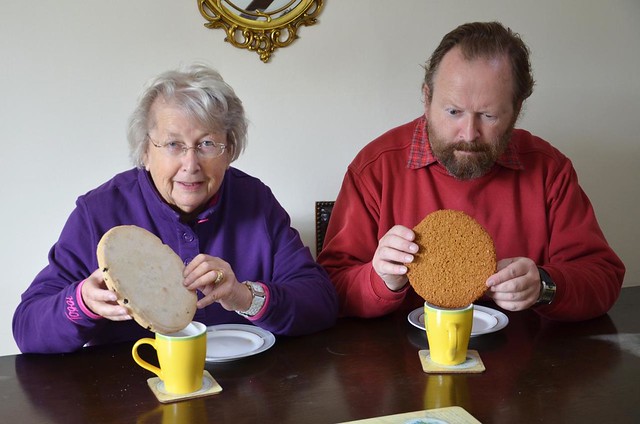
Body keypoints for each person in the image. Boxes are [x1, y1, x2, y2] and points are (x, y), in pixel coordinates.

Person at [13, 64, 339, 353]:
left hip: (247, 391)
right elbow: (27, 328)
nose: (191, 164)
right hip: (135, 394)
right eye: (173, 145)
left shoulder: (255, 200)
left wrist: (245, 296)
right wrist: (83, 302)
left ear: (231, 150)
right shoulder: (98, 212)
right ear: (144, 150)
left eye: (207, 144)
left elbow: (321, 302)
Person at [317, 22, 625, 321]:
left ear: (516, 110)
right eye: (453, 112)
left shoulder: (549, 171)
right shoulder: (376, 169)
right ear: (426, 98)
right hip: (397, 359)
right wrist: (380, 278)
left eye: (488, 115)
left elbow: (603, 278)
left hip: (524, 360)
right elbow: (328, 289)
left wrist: (545, 286)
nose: (469, 133)